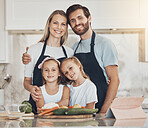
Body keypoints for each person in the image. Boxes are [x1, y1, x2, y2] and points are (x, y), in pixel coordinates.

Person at [22, 4, 120, 114]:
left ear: (89, 18)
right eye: (72, 20)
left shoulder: (102, 44)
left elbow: (114, 79)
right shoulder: (73, 49)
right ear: (49, 25)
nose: (77, 23)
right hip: (53, 110)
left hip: (97, 106)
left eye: (80, 18)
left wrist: (103, 112)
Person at [23, 10, 73, 114]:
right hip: (38, 108)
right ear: (49, 24)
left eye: (63, 24)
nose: (59, 27)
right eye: (55, 23)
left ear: (66, 28)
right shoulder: (34, 49)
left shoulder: (69, 52)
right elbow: (26, 82)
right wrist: (32, 89)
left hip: (63, 110)